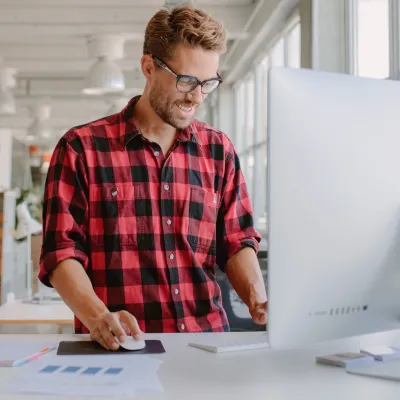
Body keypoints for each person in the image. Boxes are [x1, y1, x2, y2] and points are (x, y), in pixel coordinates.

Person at [39, 4, 267, 351]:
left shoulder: (219, 150)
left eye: (208, 83)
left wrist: (258, 298)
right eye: (187, 80)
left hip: (207, 346)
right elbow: (61, 252)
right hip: (122, 349)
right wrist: (99, 316)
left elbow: (236, 240)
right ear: (149, 67)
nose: (196, 96)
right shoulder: (80, 148)